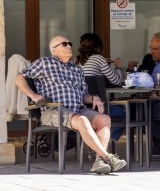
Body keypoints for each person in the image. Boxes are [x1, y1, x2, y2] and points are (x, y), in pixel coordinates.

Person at [15, 35, 127, 175]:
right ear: (54, 50)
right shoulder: (45, 63)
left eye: (69, 43)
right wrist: (33, 96)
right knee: (82, 120)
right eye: (64, 44)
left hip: (77, 109)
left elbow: (83, 95)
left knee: (104, 119)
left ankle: (99, 161)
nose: (68, 46)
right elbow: (20, 78)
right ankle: (107, 156)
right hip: (55, 110)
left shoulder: (77, 69)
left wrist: (94, 98)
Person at [76, 33, 125, 141]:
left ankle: (97, 140)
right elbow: (116, 80)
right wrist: (118, 67)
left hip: (82, 108)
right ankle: (103, 139)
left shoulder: (77, 62)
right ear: (98, 47)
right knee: (125, 111)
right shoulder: (99, 59)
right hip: (99, 108)